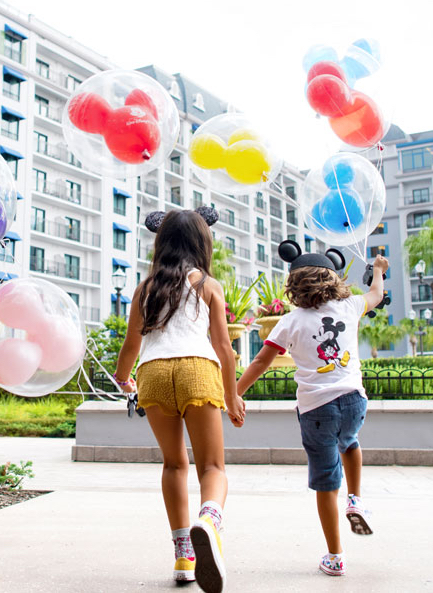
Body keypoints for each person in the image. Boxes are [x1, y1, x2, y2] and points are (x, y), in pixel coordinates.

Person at [235, 241, 387, 577]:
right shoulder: (349, 307)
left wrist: (236, 392)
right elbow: (375, 294)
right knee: (350, 442)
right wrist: (377, 270)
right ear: (333, 279)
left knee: (325, 481)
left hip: (316, 409)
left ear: (293, 286)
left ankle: (335, 556)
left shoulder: (291, 320)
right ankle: (357, 498)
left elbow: (262, 360)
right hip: (353, 401)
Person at [114, 207, 245, 593]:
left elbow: (130, 346)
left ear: (162, 243)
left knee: (174, 465)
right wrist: (233, 396)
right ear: (201, 243)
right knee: (212, 467)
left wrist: (124, 378)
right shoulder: (208, 284)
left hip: (153, 375)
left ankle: (184, 556)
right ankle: (208, 519)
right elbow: (225, 349)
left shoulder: (145, 288)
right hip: (197, 371)